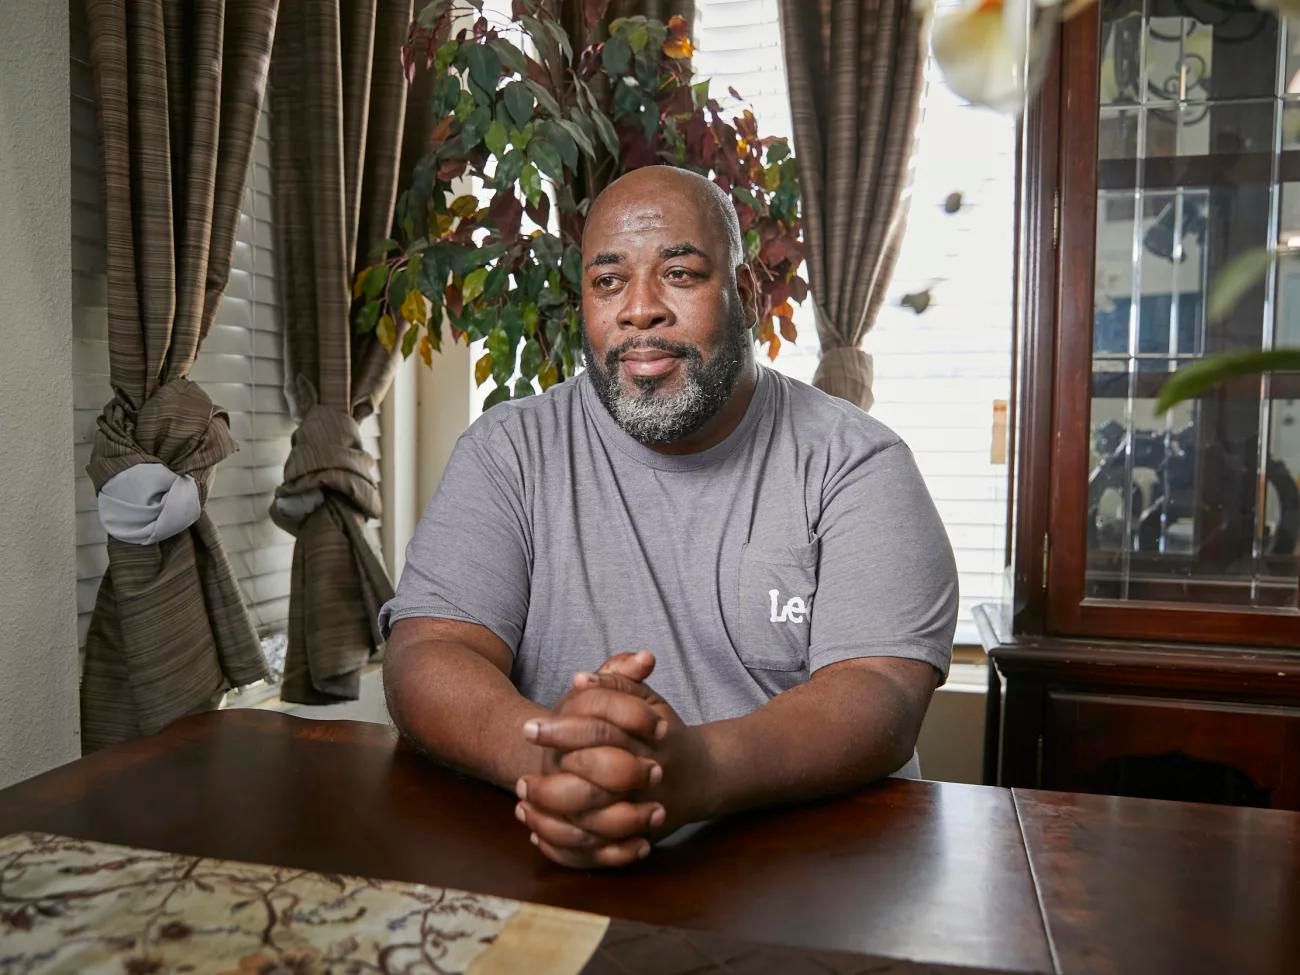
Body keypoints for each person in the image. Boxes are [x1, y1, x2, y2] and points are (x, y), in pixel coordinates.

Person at [380, 165, 958, 869]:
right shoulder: (509, 451)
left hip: (808, 877)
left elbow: (881, 691)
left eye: (679, 273)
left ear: (744, 292)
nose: (639, 310)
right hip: (556, 862)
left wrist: (694, 770)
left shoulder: (857, 463)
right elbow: (430, 649)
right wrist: (549, 756)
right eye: (608, 281)